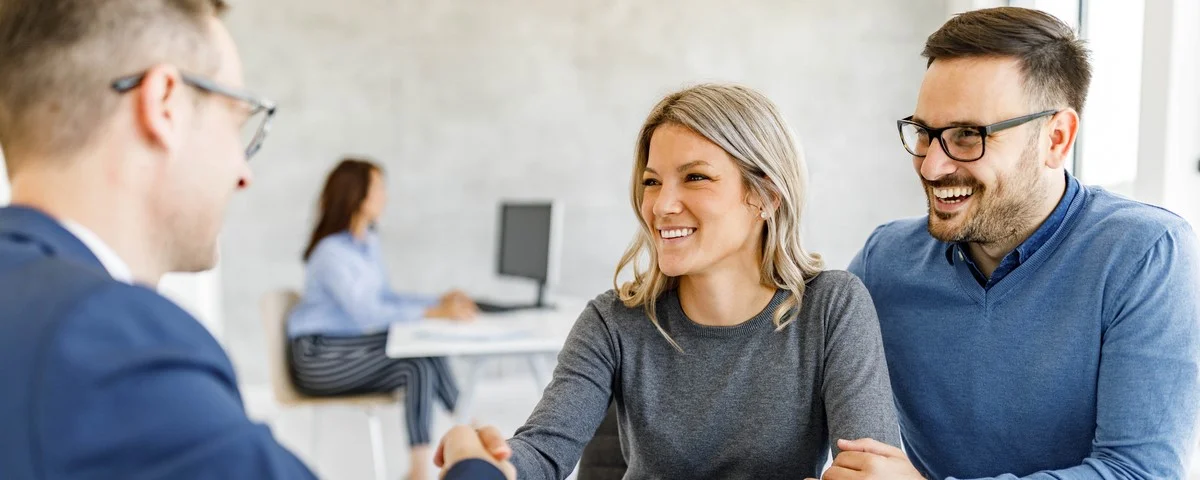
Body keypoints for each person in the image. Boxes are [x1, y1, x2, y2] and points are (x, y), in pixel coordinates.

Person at [0, 1, 506, 478]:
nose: (244, 173)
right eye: (240, 122)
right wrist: (472, 465)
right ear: (165, 105)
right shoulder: (115, 342)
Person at [437, 83, 901, 479]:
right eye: (653, 181)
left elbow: (869, 467)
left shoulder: (832, 307)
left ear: (764, 195)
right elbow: (543, 451)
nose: (660, 206)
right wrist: (482, 458)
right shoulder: (613, 322)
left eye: (694, 177)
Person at [834, 7, 1200, 480]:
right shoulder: (884, 261)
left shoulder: (1145, 254)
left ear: (1056, 138)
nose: (931, 167)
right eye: (925, 134)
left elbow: (1139, 472)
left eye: (968, 136)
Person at [288, 157, 478, 480]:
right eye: (379, 188)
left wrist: (438, 302)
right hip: (317, 356)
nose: (385, 197)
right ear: (357, 195)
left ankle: (471, 430)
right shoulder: (330, 253)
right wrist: (434, 313)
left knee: (427, 349)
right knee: (414, 364)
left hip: (346, 346)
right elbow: (368, 313)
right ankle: (419, 471)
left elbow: (386, 298)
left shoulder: (368, 245)